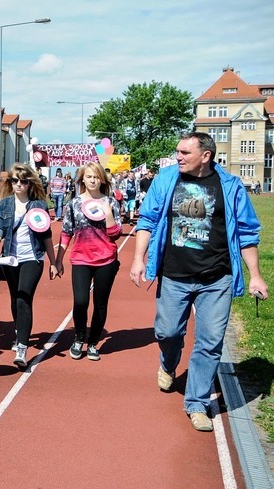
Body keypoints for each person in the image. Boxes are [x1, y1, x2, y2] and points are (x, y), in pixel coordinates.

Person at [129, 131, 269, 432]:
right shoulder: (166, 180)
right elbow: (147, 221)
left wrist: (255, 274)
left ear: (205, 156)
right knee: (167, 332)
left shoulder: (230, 187)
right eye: (177, 152)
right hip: (174, 275)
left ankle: (196, 403)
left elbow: (247, 233)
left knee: (210, 342)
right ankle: (168, 362)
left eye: (184, 153)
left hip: (216, 278)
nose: (178, 157)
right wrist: (139, 258)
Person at [0, 163, 57, 368]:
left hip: (32, 258)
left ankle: (23, 347)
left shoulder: (38, 206)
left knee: (24, 297)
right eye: (14, 180)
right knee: (15, 298)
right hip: (10, 259)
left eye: (23, 181)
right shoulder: (5, 204)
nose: (19, 184)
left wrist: (53, 262)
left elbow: (46, 236)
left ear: (29, 183)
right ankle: (20, 331)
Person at [55, 161, 121, 362]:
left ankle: (92, 343)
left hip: (106, 260)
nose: (93, 180)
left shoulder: (111, 203)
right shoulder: (74, 203)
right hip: (81, 259)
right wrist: (58, 260)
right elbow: (66, 232)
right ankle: (79, 337)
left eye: (96, 176)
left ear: (102, 179)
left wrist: (107, 212)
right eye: (89, 176)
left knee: (100, 304)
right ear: (82, 178)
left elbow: (116, 234)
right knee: (81, 301)